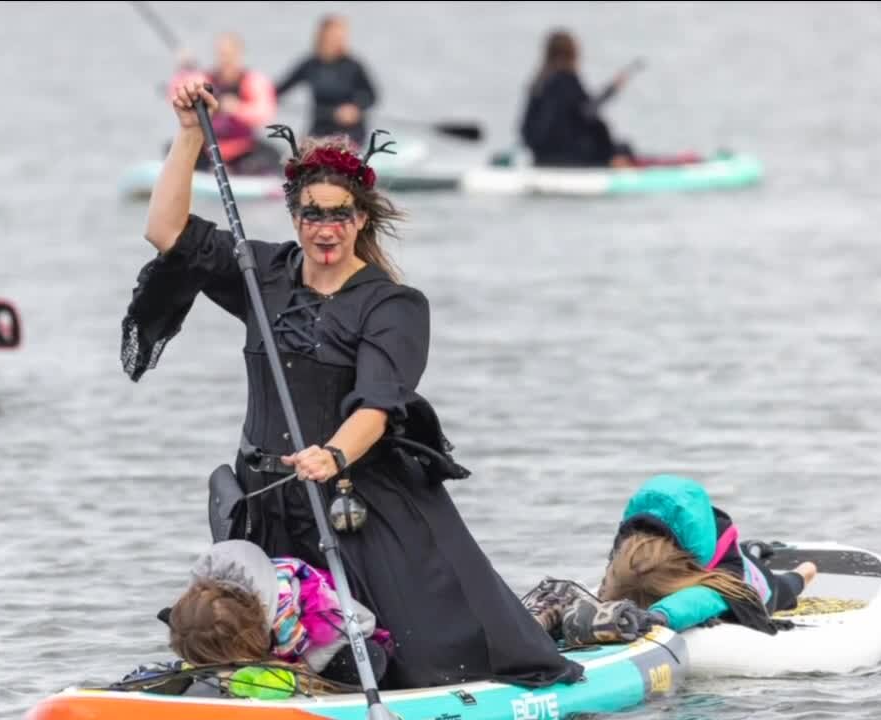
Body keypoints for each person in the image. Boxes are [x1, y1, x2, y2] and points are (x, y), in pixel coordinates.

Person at [121, 79, 584, 692]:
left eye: (340, 214)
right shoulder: (261, 274)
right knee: (252, 643)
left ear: (360, 219)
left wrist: (333, 452)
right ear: (295, 215)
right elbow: (167, 231)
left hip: (352, 497)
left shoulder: (392, 306)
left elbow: (378, 402)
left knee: (414, 661)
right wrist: (186, 137)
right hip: (264, 499)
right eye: (313, 212)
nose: (326, 227)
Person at [524, 474, 818, 645]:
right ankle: (755, 548)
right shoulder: (630, 544)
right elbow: (607, 591)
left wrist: (658, 617)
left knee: (787, 585)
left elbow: (705, 599)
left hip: (752, 582)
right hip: (686, 553)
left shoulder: (727, 575)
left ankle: (792, 567)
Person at [164, 539, 392, 689]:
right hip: (265, 645)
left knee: (367, 660)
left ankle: (318, 689)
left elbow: (364, 622)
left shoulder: (312, 600)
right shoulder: (202, 599)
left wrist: (306, 668)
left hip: (320, 645)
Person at [518, 29, 635, 168]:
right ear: (572, 53)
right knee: (623, 149)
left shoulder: (538, 84)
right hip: (570, 156)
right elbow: (588, 111)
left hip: (541, 156)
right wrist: (612, 89)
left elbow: (526, 128)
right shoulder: (567, 81)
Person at [168, 33, 280, 175]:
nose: (225, 60)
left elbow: (266, 112)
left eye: (230, 55)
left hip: (242, 150)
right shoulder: (204, 79)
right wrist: (183, 69)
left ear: (239, 55)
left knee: (274, 156)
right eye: (222, 54)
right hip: (208, 150)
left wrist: (237, 108)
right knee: (170, 148)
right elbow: (177, 94)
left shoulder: (253, 81)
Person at [275, 14, 377, 148]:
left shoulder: (352, 66)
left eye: (337, 38)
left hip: (348, 131)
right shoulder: (310, 65)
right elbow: (279, 89)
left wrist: (355, 108)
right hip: (319, 127)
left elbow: (371, 96)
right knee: (304, 158)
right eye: (329, 37)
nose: (332, 41)